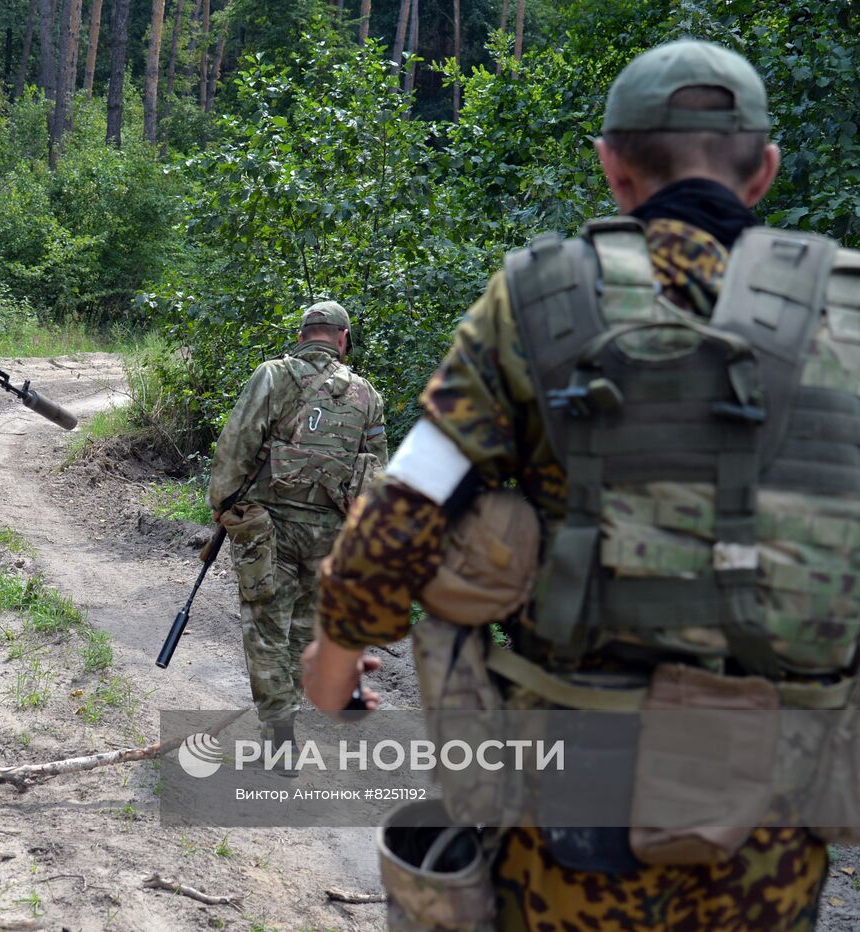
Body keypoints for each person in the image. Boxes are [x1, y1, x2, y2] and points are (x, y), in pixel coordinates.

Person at [305, 39, 858, 930]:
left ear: (611, 169)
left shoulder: (539, 302)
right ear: (764, 174)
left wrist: (335, 656)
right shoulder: (849, 314)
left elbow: (409, 505)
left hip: (577, 792)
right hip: (779, 795)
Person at [208, 301, 386, 752]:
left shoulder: (273, 375)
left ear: (304, 334)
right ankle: (282, 727)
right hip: (330, 537)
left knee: (266, 629)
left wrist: (223, 504)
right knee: (304, 632)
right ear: (342, 339)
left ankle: (280, 736)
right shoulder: (367, 395)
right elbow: (376, 476)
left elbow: (237, 441)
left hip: (268, 528)